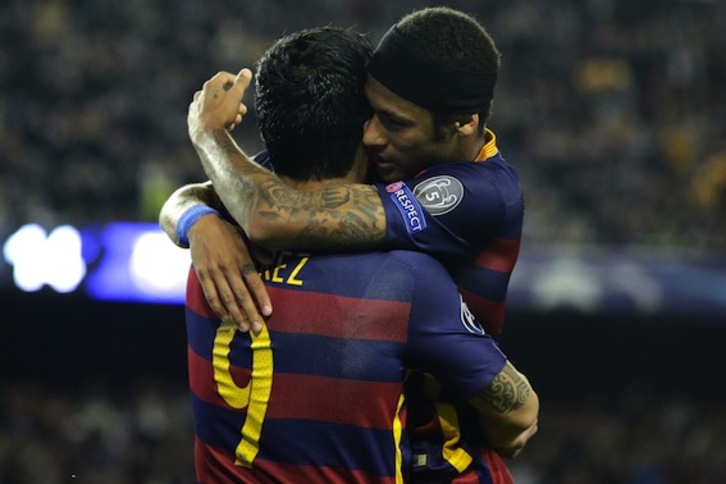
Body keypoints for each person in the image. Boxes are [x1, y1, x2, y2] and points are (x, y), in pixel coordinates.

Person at [162, 7, 531, 482]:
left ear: (461, 123)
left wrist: (208, 135)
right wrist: (195, 217)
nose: (373, 135)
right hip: (383, 438)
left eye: (393, 122)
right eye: (369, 113)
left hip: (447, 459)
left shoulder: (479, 194)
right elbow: (237, 191)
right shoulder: (383, 155)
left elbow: (266, 214)